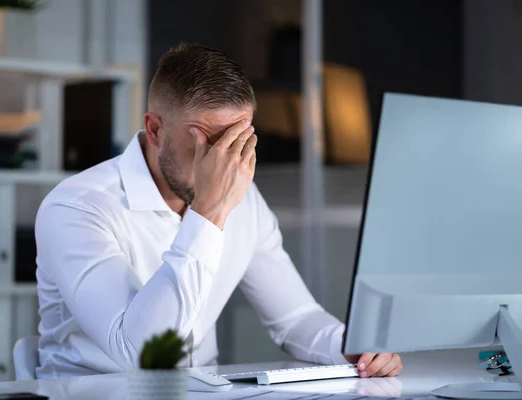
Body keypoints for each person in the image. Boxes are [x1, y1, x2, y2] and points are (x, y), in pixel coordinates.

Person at [35, 43, 403, 379]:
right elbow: (140, 353)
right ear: (154, 129)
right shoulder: (76, 207)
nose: (223, 163)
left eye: (237, 141)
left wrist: (352, 349)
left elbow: (294, 319)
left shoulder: (245, 199)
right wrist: (208, 213)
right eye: (208, 142)